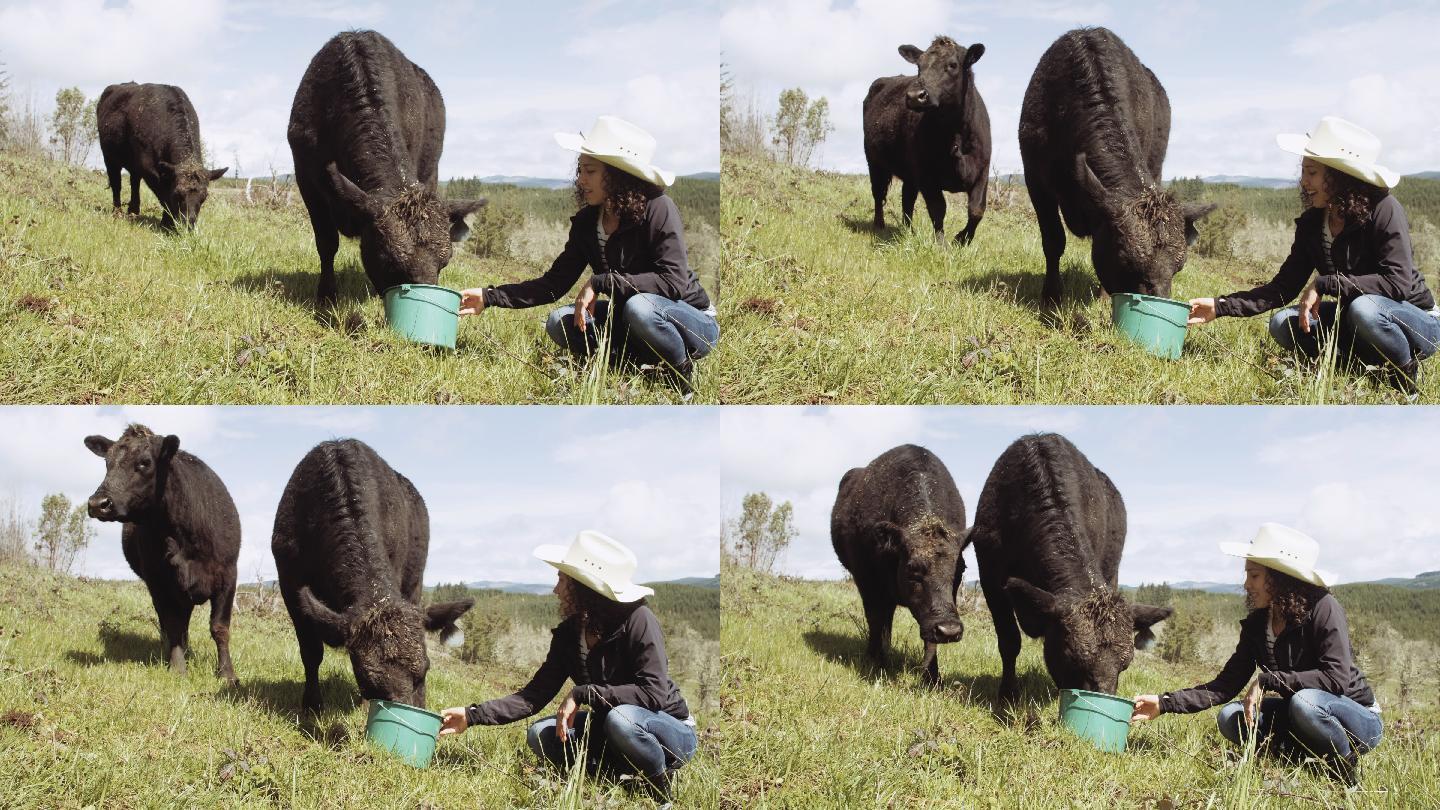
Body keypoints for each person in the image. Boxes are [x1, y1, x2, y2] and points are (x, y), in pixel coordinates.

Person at [458, 116, 718, 396]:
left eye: (590, 171)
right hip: (632, 318)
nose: (581, 180)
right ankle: (630, 369)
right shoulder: (587, 223)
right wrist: (489, 296)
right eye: (580, 170)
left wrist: (602, 282)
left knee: (640, 308)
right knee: (560, 321)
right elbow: (553, 284)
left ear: (619, 175)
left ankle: (682, 380)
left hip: (689, 322)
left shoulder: (658, 209)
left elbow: (674, 282)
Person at [439, 531, 697, 805]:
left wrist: (584, 693)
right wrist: (472, 715)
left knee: (621, 719)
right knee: (540, 734)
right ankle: (615, 777)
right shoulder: (569, 635)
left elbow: (654, 693)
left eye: (562, 580)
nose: (555, 590)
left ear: (584, 588)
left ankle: (660, 790)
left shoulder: (638, 620)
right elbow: (532, 696)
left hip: (666, 730)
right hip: (610, 728)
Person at [1187, 116, 1439, 395]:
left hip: (1414, 321)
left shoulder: (1383, 209)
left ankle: (1406, 383)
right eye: (1303, 171)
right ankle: (1355, 370)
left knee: (1364, 309)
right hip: (1357, 319)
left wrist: (1325, 283)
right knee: (1282, 324)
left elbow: (1398, 283)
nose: (1304, 181)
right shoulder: (1312, 224)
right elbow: (1282, 288)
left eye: (1312, 173)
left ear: (1339, 176)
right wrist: (1220, 305)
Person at [1131, 524, 1381, 785]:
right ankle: (1295, 761)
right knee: (1230, 718)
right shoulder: (1257, 624)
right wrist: (1165, 702)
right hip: (1301, 712)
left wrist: (1268, 680)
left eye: (1254, 576)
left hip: (1356, 720)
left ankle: (1343, 773)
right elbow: (1224, 685)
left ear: (1280, 578)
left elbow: (1336, 678)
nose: (1246, 584)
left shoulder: (1323, 608)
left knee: (1304, 703)